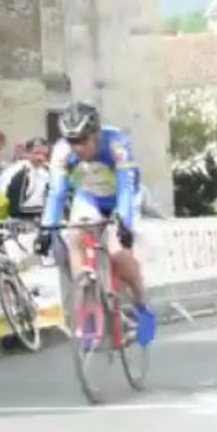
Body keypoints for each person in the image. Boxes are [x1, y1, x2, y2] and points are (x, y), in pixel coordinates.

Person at [34, 102, 156, 347]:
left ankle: (143, 308)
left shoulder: (116, 144)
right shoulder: (61, 151)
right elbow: (57, 193)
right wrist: (47, 228)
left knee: (117, 251)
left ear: (96, 134)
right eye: (71, 141)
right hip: (89, 197)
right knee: (75, 236)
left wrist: (123, 221)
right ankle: (88, 307)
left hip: (124, 197)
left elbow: (125, 186)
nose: (77, 147)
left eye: (82, 140)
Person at [0, 136, 50, 221]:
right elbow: (16, 208)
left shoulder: (42, 171)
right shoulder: (22, 171)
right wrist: (44, 210)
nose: (41, 158)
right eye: (37, 153)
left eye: (44, 154)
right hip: (6, 218)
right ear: (28, 153)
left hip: (26, 217)